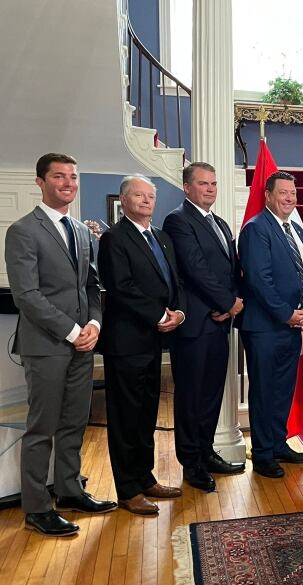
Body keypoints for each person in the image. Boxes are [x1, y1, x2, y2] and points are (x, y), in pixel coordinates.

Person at [5, 153, 116, 536]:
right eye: (59, 176)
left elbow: (91, 286)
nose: (68, 183)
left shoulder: (82, 232)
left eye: (72, 177)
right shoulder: (23, 230)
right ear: (41, 182)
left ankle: (69, 490)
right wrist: (72, 330)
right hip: (47, 346)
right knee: (42, 427)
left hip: (84, 345)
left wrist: (95, 324)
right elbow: (27, 295)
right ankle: (37, 508)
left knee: (74, 422)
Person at [98, 174, 186, 515]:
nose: (146, 200)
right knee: (125, 417)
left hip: (154, 339)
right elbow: (120, 286)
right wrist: (157, 315)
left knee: (148, 412)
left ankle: (145, 477)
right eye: (138, 195)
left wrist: (178, 311)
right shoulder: (114, 238)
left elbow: (173, 280)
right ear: (124, 200)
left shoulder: (161, 237)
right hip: (127, 341)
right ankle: (128, 489)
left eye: (150, 195)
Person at [162, 163, 245, 492]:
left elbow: (234, 270)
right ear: (187, 188)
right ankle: (190, 463)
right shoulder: (178, 220)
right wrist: (227, 303)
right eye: (202, 183)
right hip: (196, 324)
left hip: (220, 323)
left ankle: (207, 451)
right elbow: (195, 269)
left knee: (212, 395)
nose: (210, 189)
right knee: (191, 397)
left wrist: (233, 302)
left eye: (213, 183)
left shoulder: (221, 223)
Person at [239, 171, 303, 478]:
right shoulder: (256, 229)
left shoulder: (296, 227)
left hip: (292, 325)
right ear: (268, 195)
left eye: (293, 193)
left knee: (283, 390)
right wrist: (286, 313)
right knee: (264, 390)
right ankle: (262, 453)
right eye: (283, 193)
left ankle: (278, 443)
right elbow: (259, 280)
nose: (289, 198)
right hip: (265, 328)